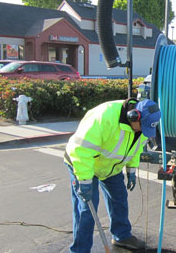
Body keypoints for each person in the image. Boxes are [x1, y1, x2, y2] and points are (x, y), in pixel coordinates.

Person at [64, 98, 161, 253]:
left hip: (110, 167)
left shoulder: (143, 127)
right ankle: (80, 250)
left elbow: (135, 149)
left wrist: (131, 170)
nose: (143, 132)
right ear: (133, 116)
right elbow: (80, 151)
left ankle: (121, 236)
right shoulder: (105, 117)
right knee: (87, 211)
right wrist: (84, 181)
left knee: (119, 199)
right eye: (142, 127)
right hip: (83, 165)